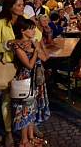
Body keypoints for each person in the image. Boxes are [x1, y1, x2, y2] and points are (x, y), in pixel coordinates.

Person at [0, 0, 25, 147]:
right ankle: (9, 132)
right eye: (18, 5)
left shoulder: (24, 22)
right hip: (8, 65)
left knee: (25, 99)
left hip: (24, 65)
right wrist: (9, 43)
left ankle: (27, 128)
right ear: (10, 6)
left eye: (22, 4)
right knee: (7, 100)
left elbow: (35, 37)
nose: (22, 7)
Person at [11, 18, 47, 147]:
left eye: (33, 28)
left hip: (35, 80)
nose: (33, 31)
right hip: (25, 80)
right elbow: (29, 65)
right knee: (24, 110)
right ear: (22, 30)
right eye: (30, 29)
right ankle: (23, 141)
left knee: (32, 109)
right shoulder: (18, 45)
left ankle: (31, 138)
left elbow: (45, 57)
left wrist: (37, 47)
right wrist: (36, 50)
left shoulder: (32, 42)